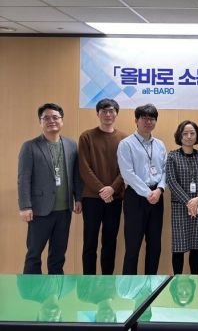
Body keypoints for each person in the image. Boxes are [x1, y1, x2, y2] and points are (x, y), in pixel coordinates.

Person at [18, 103, 82, 274]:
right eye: (46, 118)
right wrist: (25, 206)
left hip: (64, 210)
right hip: (40, 210)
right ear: (40, 122)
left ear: (62, 120)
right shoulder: (30, 146)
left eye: (55, 117)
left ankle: (55, 289)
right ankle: (32, 290)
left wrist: (78, 198)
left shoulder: (71, 145)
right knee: (34, 255)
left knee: (58, 256)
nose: (51, 121)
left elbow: (76, 175)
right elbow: (23, 179)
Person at [78, 98, 127, 275]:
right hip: (92, 198)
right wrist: (102, 189)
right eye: (104, 111)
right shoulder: (86, 136)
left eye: (111, 111)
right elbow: (84, 167)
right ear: (97, 113)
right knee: (89, 243)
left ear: (116, 113)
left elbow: (126, 169)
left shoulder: (124, 139)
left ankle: (107, 281)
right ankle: (88, 281)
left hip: (115, 198)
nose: (108, 114)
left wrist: (112, 188)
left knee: (110, 242)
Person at [117, 104, 166, 275]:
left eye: (152, 119)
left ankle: (151, 284)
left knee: (154, 245)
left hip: (157, 196)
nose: (148, 122)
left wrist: (159, 189)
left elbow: (165, 170)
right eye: (144, 118)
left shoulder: (160, 144)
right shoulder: (126, 144)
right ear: (136, 121)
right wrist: (147, 193)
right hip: (135, 197)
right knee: (133, 246)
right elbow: (127, 173)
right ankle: (129, 287)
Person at [166, 120, 198, 275]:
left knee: (196, 246)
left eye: (192, 133)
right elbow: (171, 181)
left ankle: (195, 277)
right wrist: (188, 201)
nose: (189, 136)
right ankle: (176, 278)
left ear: (197, 135)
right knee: (179, 247)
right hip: (180, 206)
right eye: (185, 133)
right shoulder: (172, 156)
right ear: (179, 135)